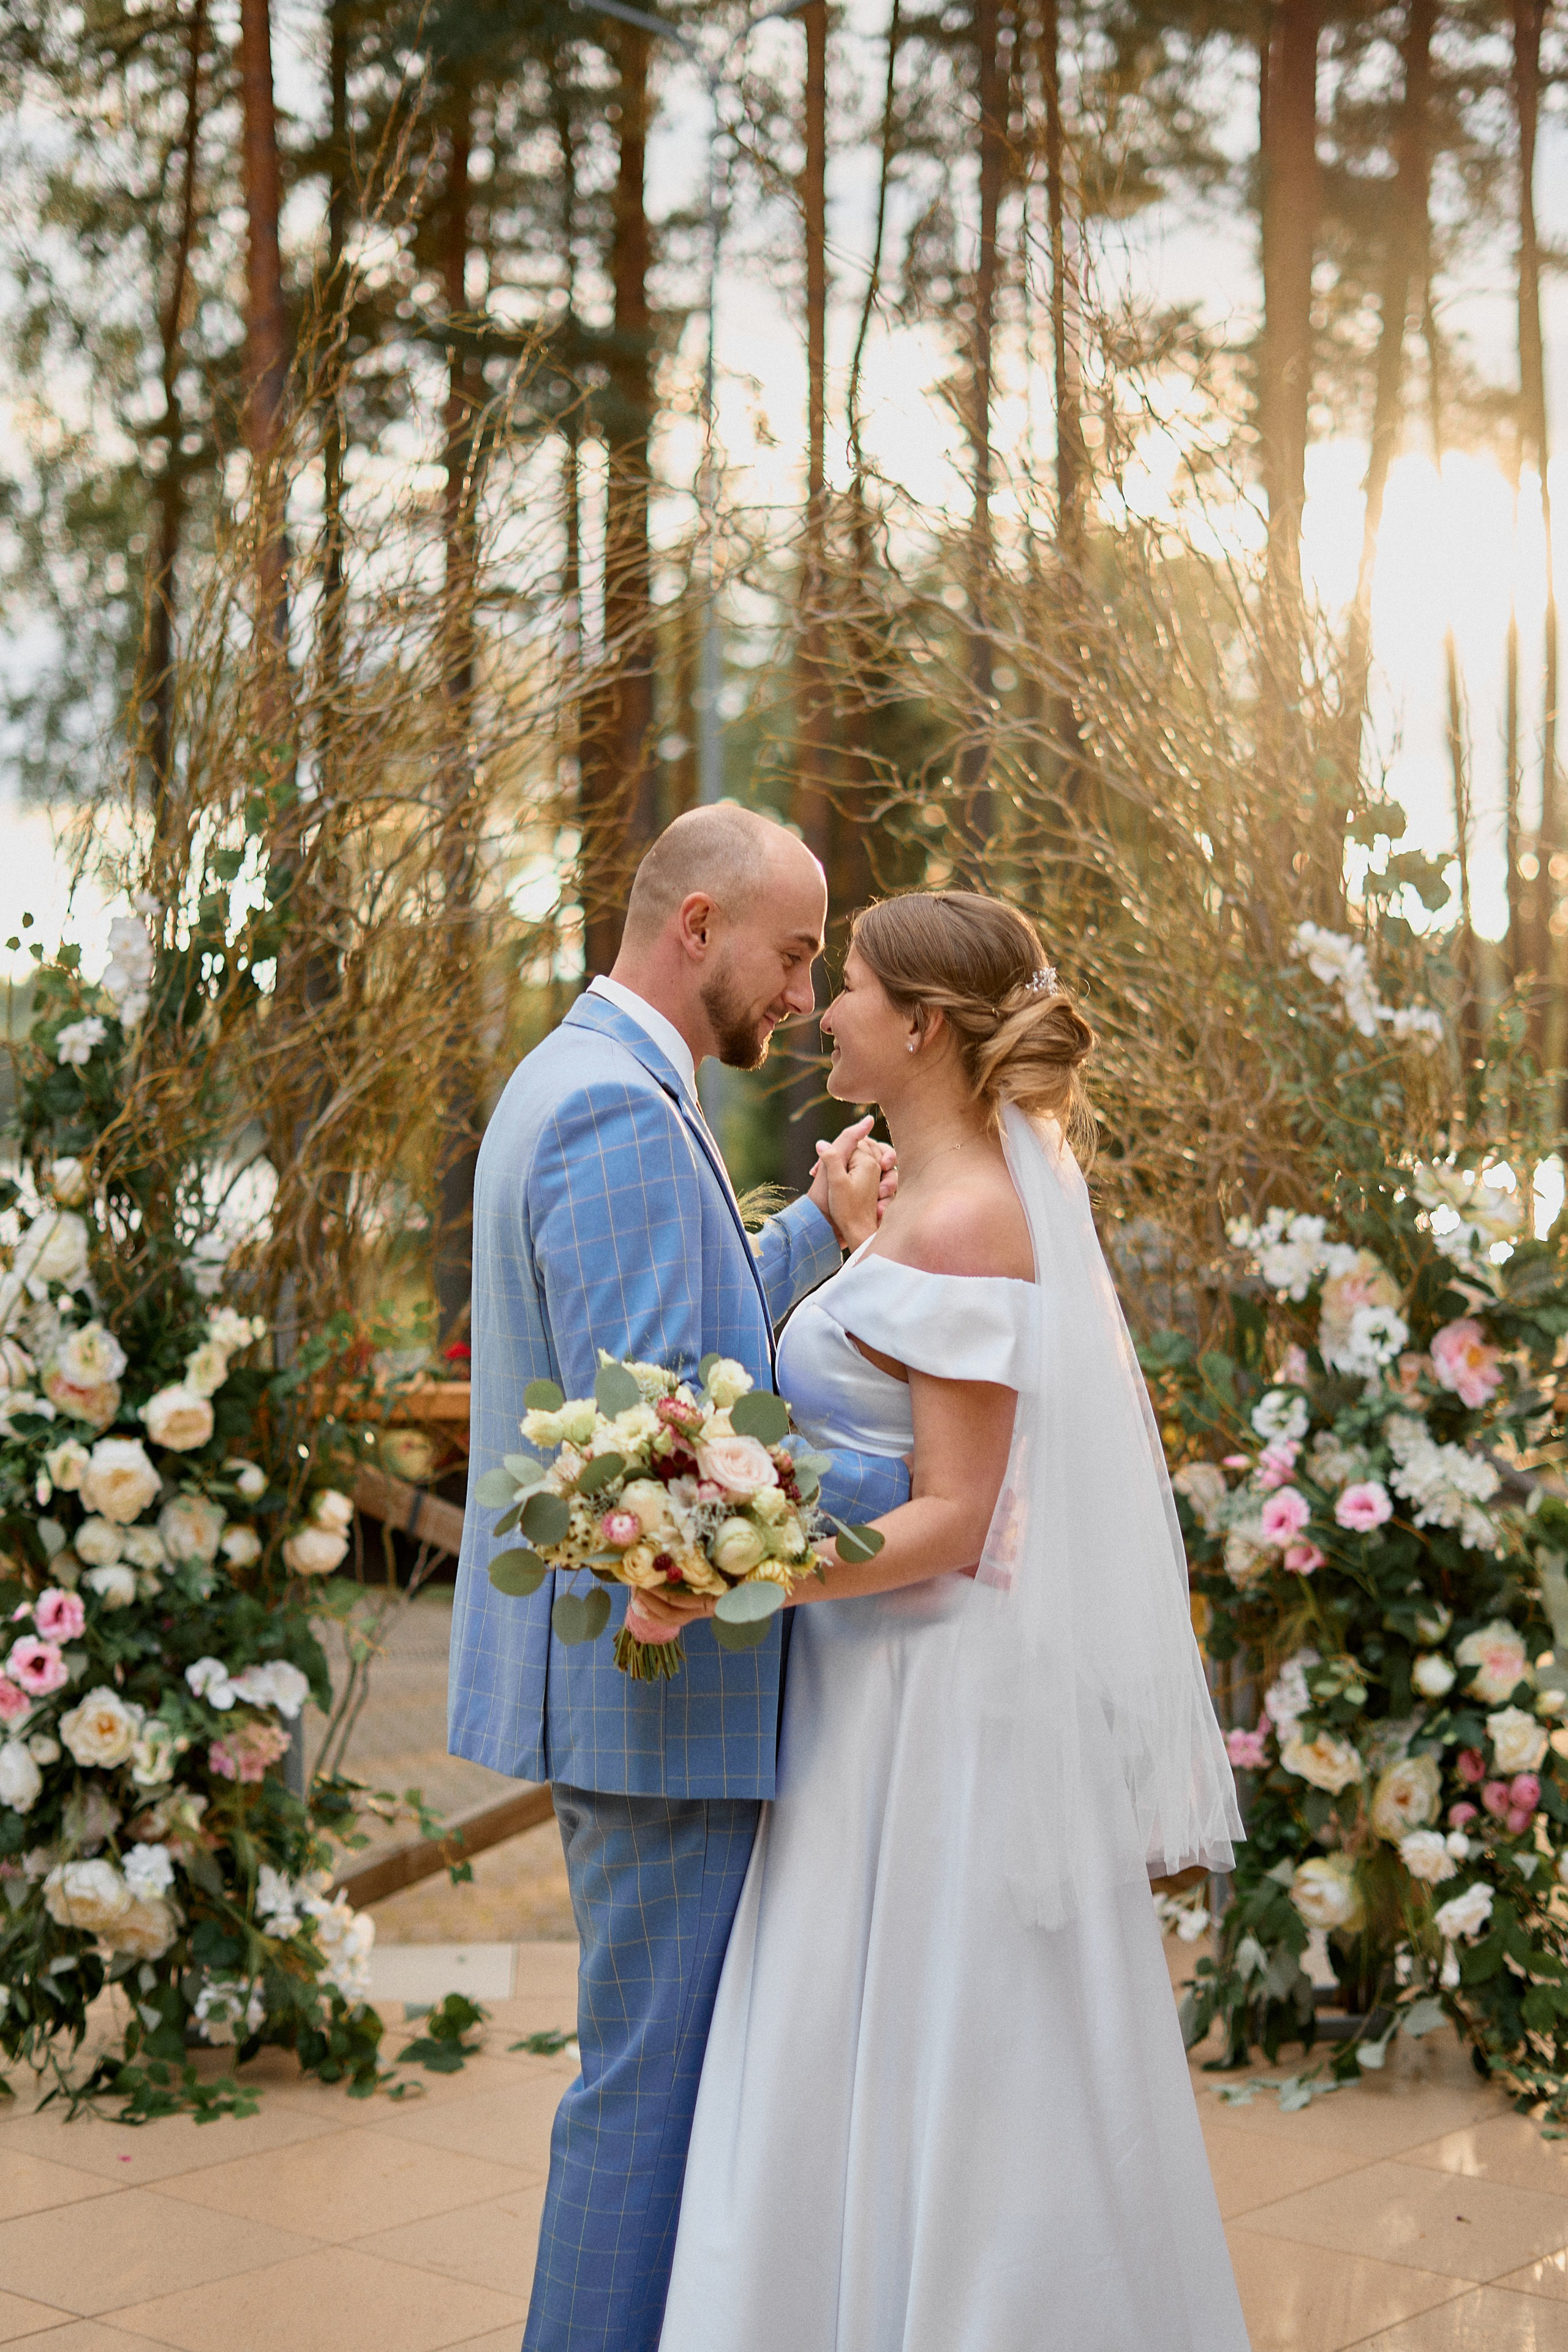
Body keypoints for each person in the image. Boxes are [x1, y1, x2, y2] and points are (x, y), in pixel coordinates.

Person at [650, 888, 1251, 2351]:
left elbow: (957, 1519)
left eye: (848, 983)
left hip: (927, 1704)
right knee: (859, 2041)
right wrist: (841, 1241)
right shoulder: (926, 1203)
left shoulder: (975, 1215)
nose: (823, 1008)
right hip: (866, 1686)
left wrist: (740, 1571)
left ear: (920, 1024)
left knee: (949, 2048)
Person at [446, 803, 911, 2352]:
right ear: (697, 925)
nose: (802, 996)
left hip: (640, 1689)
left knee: (657, 2085)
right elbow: (663, 1450)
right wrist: (930, 1506)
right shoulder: (616, 1109)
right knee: (647, 2098)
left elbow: (670, 1358)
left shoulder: (595, 1077)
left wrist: (812, 1237)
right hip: (660, 1692)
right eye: (793, 955)